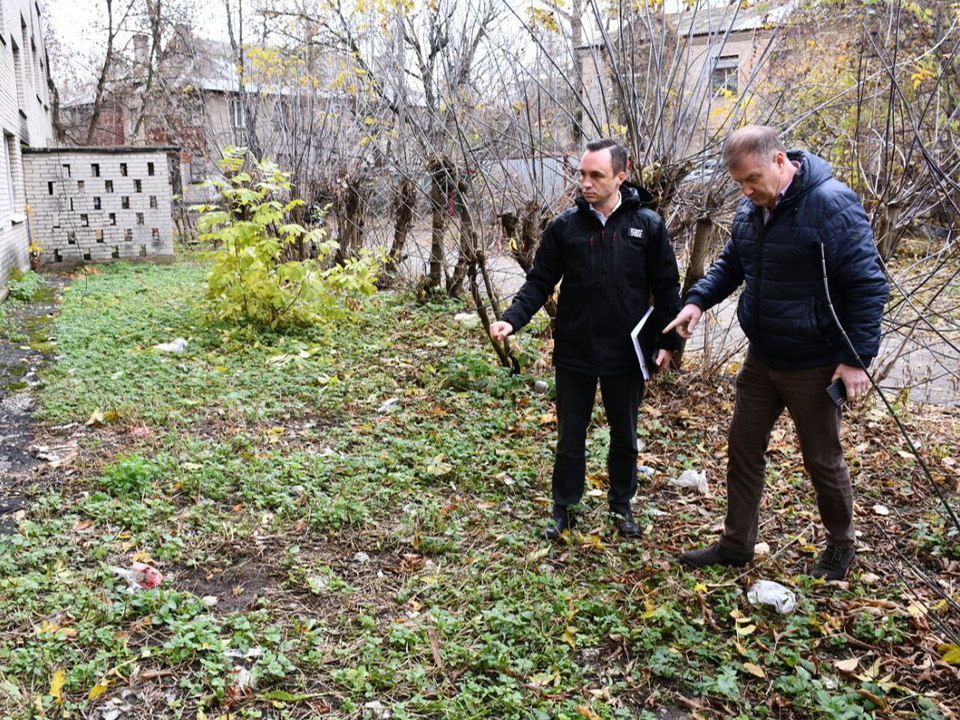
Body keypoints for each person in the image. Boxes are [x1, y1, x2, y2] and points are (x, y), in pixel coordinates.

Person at [664, 125, 888, 579]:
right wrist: (696, 301)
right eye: (739, 184)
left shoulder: (830, 203)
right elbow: (732, 262)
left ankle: (842, 545)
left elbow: (868, 284)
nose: (746, 191)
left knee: (821, 458)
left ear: (780, 161)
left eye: (752, 180)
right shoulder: (753, 208)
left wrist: (856, 357)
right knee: (743, 448)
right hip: (763, 357)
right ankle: (736, 545)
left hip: (816, 361)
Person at [489, 139, 682, 540]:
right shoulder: (566, 227)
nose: (586, 183)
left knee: (624, 435)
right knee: (570, 434)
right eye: (582, 174)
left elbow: (667, 288)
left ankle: (621, 506)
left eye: (597, 175)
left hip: (626, 353)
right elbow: (540, 281)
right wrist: (512, 320)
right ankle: (564, 508)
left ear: (621, 176)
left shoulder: (647, 225)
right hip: (576, 349)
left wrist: (667, 344)